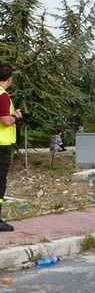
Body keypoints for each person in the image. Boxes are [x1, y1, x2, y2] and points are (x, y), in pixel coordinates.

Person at [0, 64, 22, 232]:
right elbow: (6, 121)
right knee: (0, 183)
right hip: (2, 146)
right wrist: (17, 117)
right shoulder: (3, 96)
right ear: (10, 79)